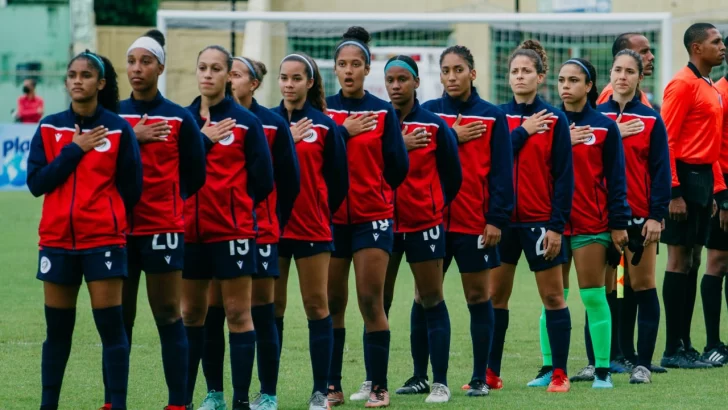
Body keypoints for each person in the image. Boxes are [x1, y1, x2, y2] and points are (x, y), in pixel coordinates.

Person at [98, 30, 208, 410]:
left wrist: (168, 206)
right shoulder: (112, 118)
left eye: (146, 61)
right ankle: (115, 403)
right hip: (116, 230)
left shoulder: (179, 118)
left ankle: (178, 402)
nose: (137, 68)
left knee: (167, 316)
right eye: (131, 61)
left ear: (160, 67)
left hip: (162, 229)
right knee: (118, 320)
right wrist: (132, 134)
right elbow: (95, 163)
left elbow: (195, 175)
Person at [27, 50, 143, 410]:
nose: (78, 80)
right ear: (66, 81)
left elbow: (132, 187)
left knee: (112, 331)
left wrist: (107, 218)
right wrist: (73, 151)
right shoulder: (49, 127)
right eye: (72, 75)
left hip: (103, 243)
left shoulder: (119, 129)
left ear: (101, 83)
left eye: (86, 75)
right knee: (57, 333)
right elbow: (36, 183)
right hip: (57, 243)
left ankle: (117, 404)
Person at [198, 55, 300, 410]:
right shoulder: (193, 118)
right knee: (212, 310)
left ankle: (266, 393)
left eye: (236, 74)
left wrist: (264, 216)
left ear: (250, 83)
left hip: (260, 230)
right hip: (209, 231)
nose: (231, 79)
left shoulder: (269, 124)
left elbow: (285, 182)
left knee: (260, 310)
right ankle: (214, 393)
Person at [181, 45, 274, 410]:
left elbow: (264, 180)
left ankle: (239, 402)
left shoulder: (246, 122)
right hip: (190, 232)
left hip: (233, 233)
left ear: (227, 75)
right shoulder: (183, 120)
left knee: (237, 313)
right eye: (202, 67)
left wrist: (234, 207)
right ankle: (185, 400)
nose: (208, 74)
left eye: (216, 68)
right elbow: (178, 175)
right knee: (191, 314)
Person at [422, 45, 514, 397]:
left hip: (474, 223)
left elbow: (502, 175)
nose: (451, 76)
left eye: (458, 70)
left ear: (472, 74)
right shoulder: (429, 113)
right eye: (445, 70)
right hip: (431, 222)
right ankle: (419, 374)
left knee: (478, 296)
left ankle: (480, 377)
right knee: (424, 296)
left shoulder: (492, 116)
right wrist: (449, 136)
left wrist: (495, 219)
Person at [325, 26, 409, 408]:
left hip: (372, 217)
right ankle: (332, 386)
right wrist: (342, 132)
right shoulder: (323, 111)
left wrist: (372, 190)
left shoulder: (382, 111)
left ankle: (378, 386)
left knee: (370, 300)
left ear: (366, 68)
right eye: (342, 64)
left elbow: (397, 168)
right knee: (331, 303)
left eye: (355, 64)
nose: (348, 71)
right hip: (329, 220)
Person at [488, 40, 574, 393]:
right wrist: (522, 132)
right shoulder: (497, 117)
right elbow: (493, 163)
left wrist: (556, 226)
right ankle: (489, 373)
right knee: (495, 298)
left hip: (541, 222)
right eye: (514, 71)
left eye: (527, 71)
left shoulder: (556, 118)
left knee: (553, 298)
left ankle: (560, 373)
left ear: (541, 77)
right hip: (503, 223)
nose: (520, 76)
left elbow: (564, 177)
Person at [381, 55, 462, 403]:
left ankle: (440, 381)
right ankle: (375, 382)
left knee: (431, 298)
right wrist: (398, 145)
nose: (396, 85)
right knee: (377, 302)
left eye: (403, 79)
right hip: (382, 223)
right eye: (390, 80)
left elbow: (452, 175)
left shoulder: (433, 125)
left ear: (416, 82)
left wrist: (432, 205)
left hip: (423, 223)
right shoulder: (376, 122)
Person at [272, 52, 349, 410]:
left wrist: (317, 209)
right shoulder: (267, 123)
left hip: (313, 228)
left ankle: (321, 390)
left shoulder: (326, 126)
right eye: (284, 78)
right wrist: (285, 137)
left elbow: (337, 182)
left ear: (310, 82)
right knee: (272, 308)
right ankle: (267, 391)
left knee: (317, 305)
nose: (289, 84)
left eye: (296, 78)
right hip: (273, 229)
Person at [597, 49, 672, 383]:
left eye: (630, 71)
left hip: (640, 217)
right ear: (609, 75)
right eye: (617, 70)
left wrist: (656, 216)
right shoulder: (596, 117)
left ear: (640, 78)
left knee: (642, 287)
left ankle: (642, 363)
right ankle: (605, 359)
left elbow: (660, 171)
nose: (622, 76)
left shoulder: (652, 119)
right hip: (601, 219)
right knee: (608, 289)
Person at [556, 57, 630, 388]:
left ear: (589, 87)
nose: (565, 86)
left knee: (594, 297)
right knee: (554, 298)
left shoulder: (604, 127)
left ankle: (602, 370)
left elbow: (617, 180)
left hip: (591, 223)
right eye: (561, 80)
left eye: (573, 80)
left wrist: (618, 223)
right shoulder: (547, 125)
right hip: (554, 224)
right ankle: (551, 369)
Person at [659, 23, 728, 369]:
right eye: (716, 42)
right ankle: (672, 348)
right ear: (697, 48)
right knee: (677, 261)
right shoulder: (682, 84)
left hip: (702, 181)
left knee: (694, 262)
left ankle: (686, 344)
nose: (722, 46)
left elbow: (713, 146)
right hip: (682, 181)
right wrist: (674, 192)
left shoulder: (711, 87)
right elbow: (667, 141)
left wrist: (716, 189)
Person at [699, 35, 728, 367]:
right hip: (723, 187)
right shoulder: (719, 93)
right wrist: (722, 196)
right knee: (717, 262)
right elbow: (714, 148)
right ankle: (712, 342)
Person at [597, 33, 655, 106]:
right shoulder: (612, 94)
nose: (651, 56)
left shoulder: (638, 93)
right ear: (624, 55)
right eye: (644, 51)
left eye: (649, 51)